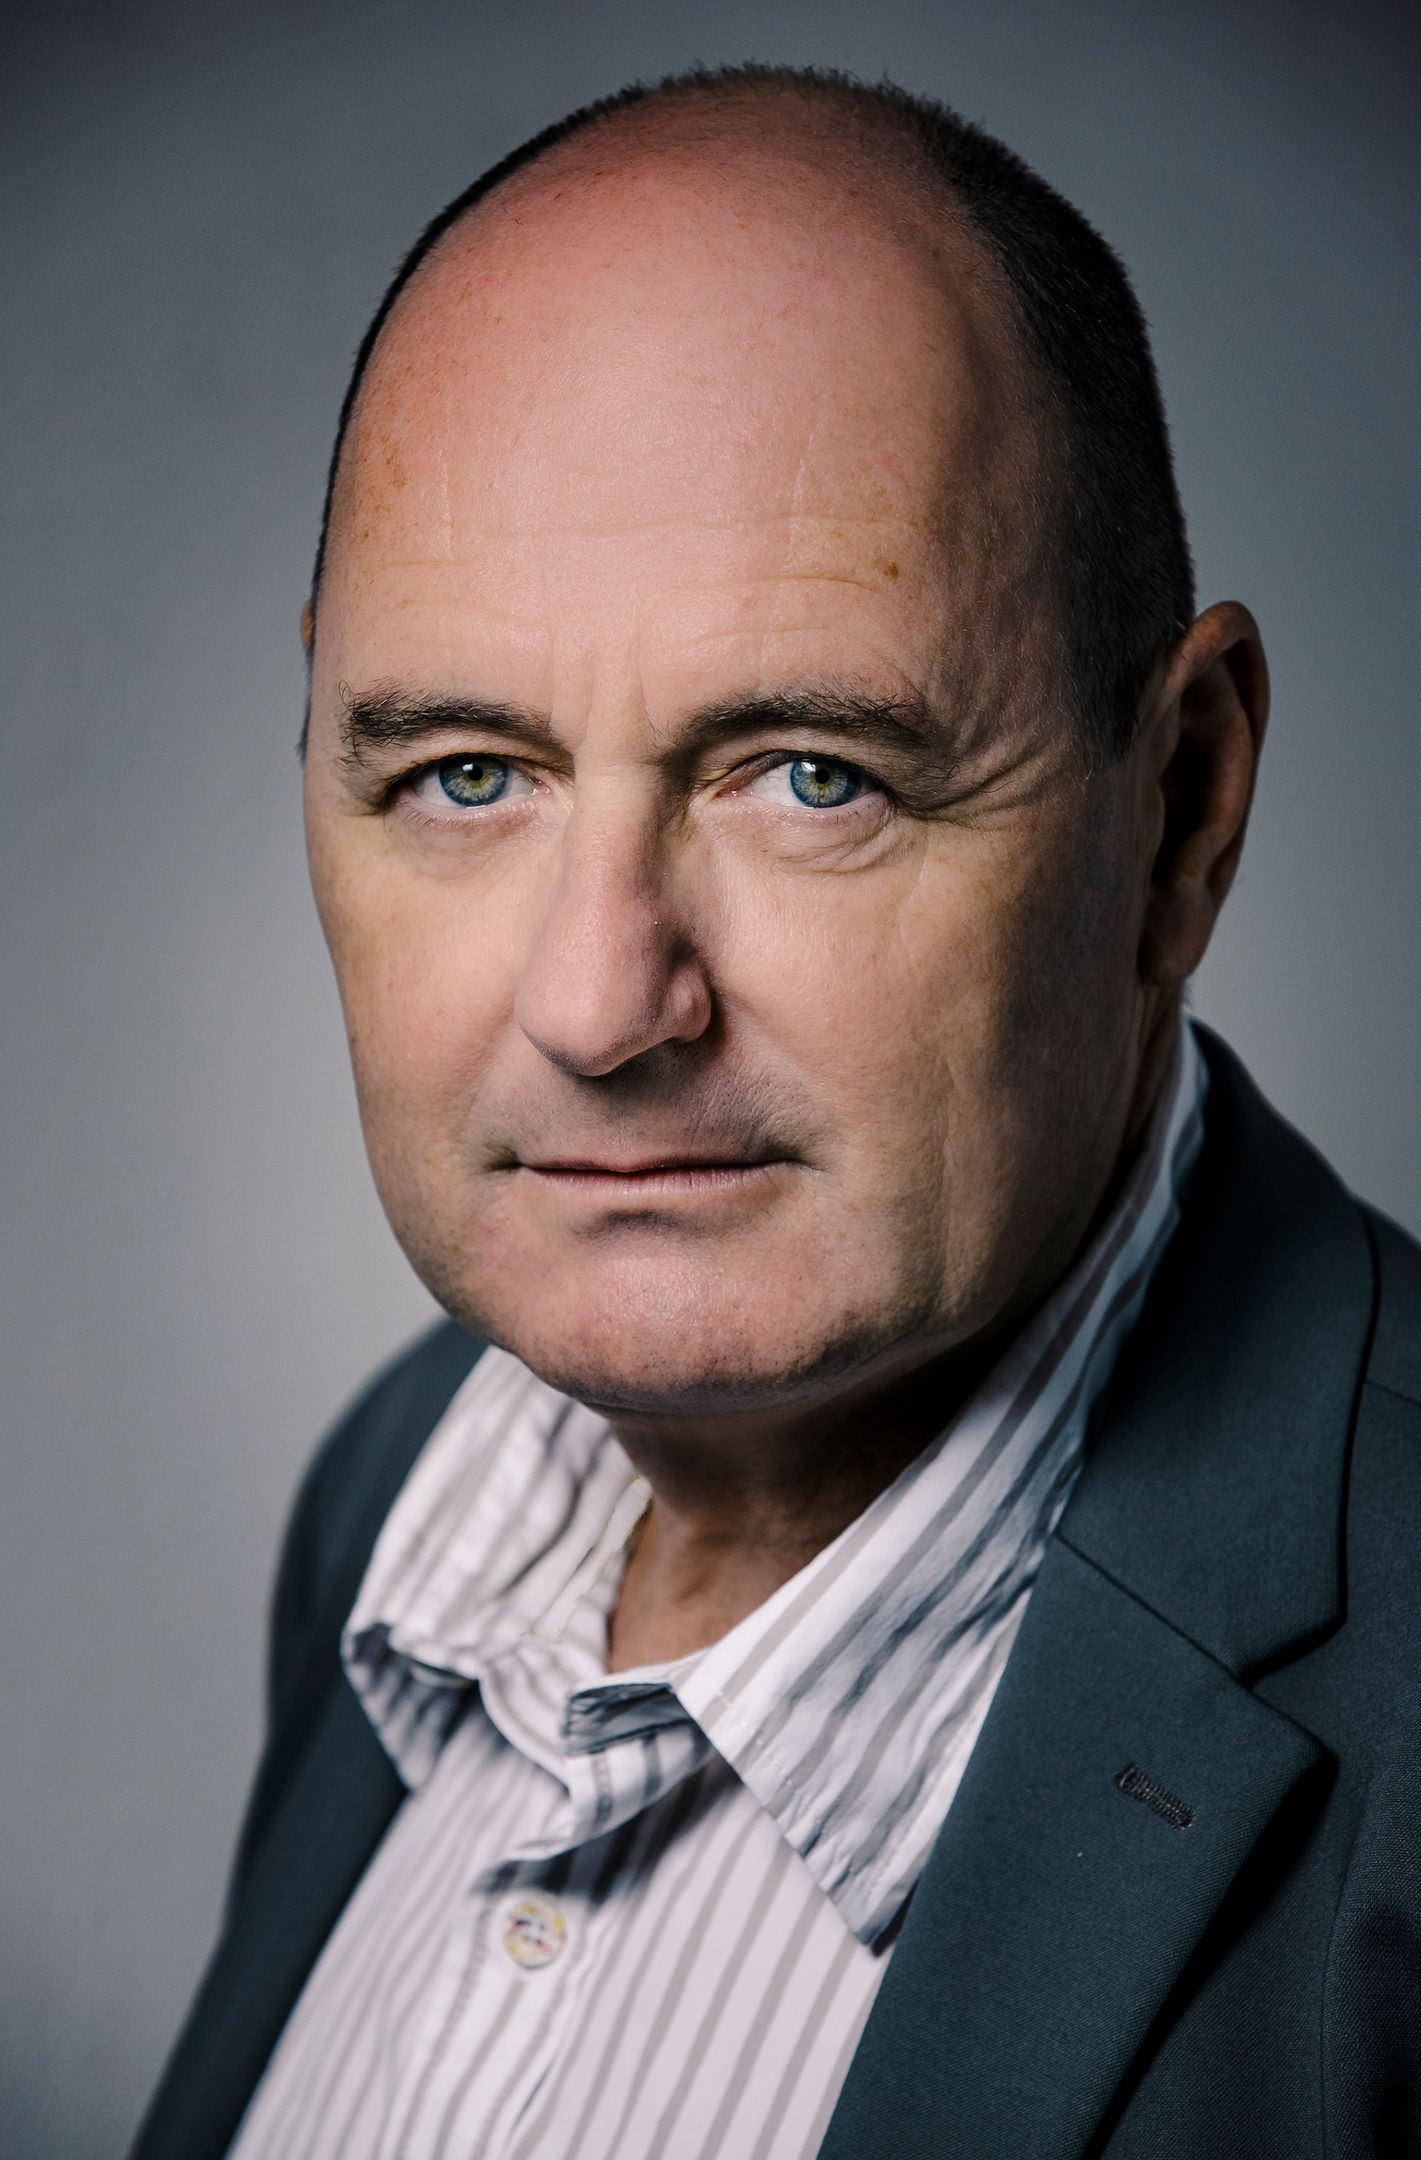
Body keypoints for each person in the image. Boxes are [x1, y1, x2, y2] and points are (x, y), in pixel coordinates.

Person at [130, 64, 1421, 2160]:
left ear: (1182, 806)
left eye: (815, 776)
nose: (597, 1005)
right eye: (465, 773)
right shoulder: (401, 1499)